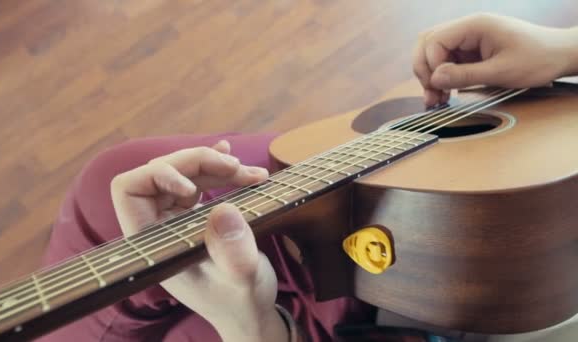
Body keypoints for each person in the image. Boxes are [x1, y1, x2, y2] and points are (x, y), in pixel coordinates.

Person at [38, 13, 578, 342]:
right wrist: (564, 49)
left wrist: (253, 328)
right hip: (423, 221)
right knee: (112, 190)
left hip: (455, 298)